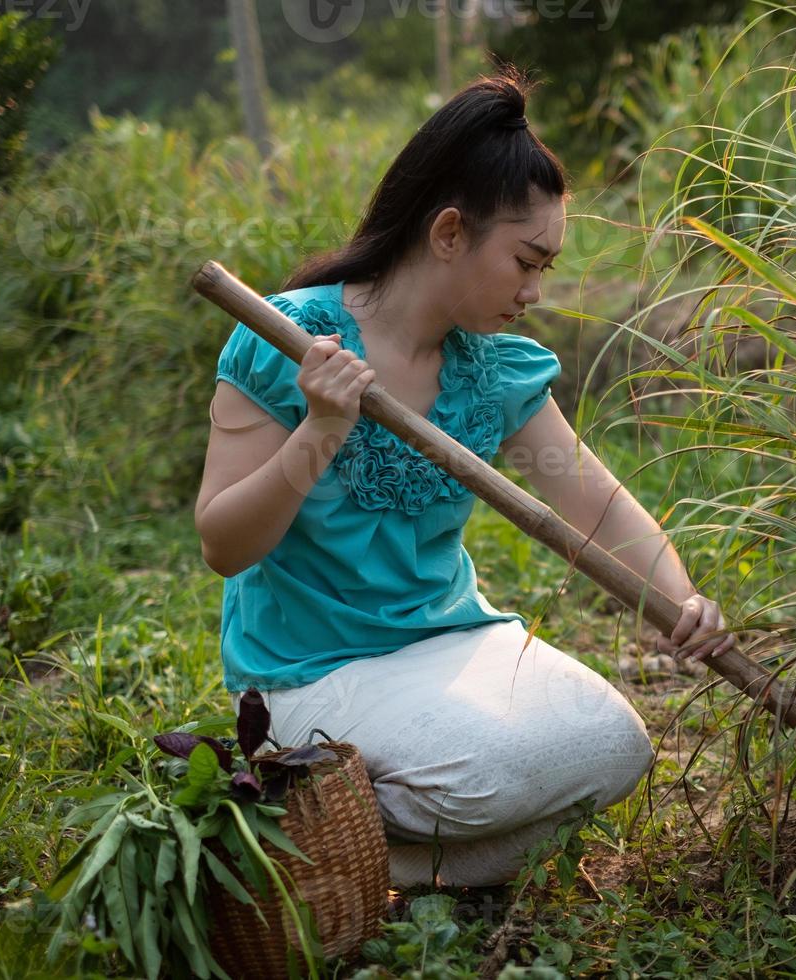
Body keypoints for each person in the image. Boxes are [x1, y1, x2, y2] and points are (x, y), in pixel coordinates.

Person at [193, 67, 735, 888]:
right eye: (526, 261)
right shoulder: (289, 339)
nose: (534, 290)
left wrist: (678, 592)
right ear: (449, 232)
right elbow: (223, 545)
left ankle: (376, 866)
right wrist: (320, 432)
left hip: (454, 643)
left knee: (619, 747)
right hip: (309, 673)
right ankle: (325, 813)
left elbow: (593, 499)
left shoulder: (490, 372)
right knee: (492, 779)